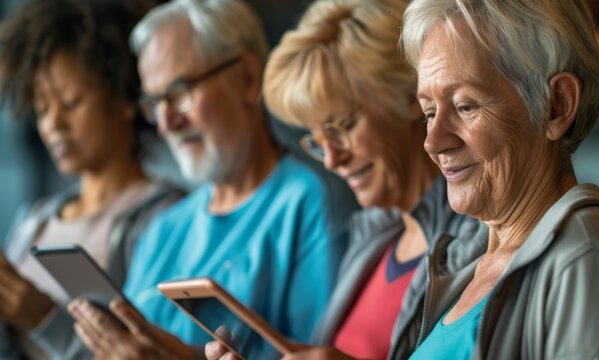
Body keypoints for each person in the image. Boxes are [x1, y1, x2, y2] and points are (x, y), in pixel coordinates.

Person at [66, 0, 348, 358]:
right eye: (154, 103)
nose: (167, 122)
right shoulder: (163, 229)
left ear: (248, 78)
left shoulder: (310, 203)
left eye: (180, 93)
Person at [205, 0, 484, 359]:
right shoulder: (371, 240)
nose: (333, 160)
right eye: (318, 141)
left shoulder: (478, 241)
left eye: (344, 126)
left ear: (410, 97)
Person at [397, 0, 599, 358]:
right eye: (430, 112)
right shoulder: (465, 263)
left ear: (556, 105)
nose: (433, 142)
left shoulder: (591, 260)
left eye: (466, 106)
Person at [0, 1, 184, 359]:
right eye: (42, 108)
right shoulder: (34, 219)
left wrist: (42, 317)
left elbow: (146, 352)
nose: (53, 125)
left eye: (71, 103)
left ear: (123, 99)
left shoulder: (166, 217)